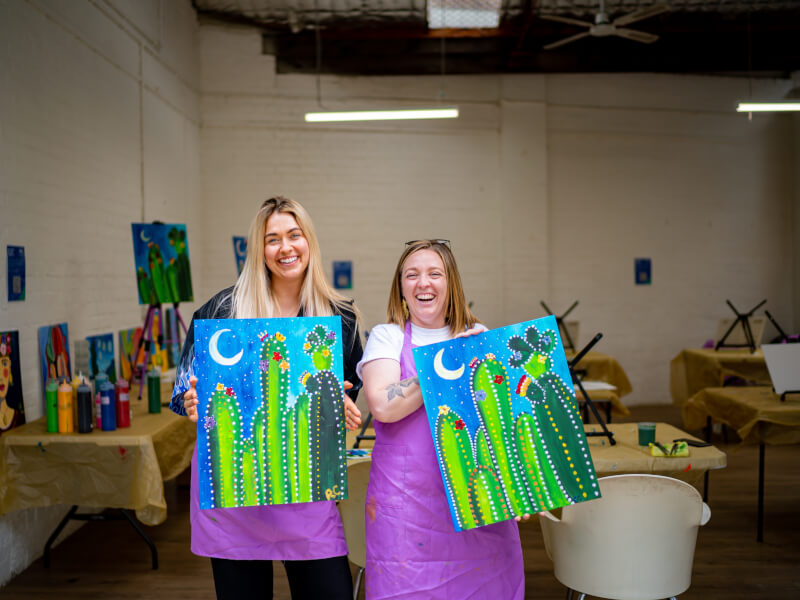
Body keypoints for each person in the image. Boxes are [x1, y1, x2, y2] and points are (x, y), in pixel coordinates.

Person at [170, 196, 363, 600]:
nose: (285, 248)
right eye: (271, 239)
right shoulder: (221, 311)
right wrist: (190, 400)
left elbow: (345, 394)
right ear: (259, 250)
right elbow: (184, 390)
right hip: (236, 489)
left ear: (309, 241)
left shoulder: (341, 318)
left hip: (307, 487)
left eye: (294, 235)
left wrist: (344, 406)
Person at [358, 239, 526, 599]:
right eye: (412, 275)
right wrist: (443, 364)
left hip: (478, 509)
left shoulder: (479, 336)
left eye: (435, 274)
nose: (423, 283)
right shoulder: (386, 337)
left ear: (451, 284)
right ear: (400, 287)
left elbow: (502, 428)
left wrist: (521, 490)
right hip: (407, 516)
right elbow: (384, 405)